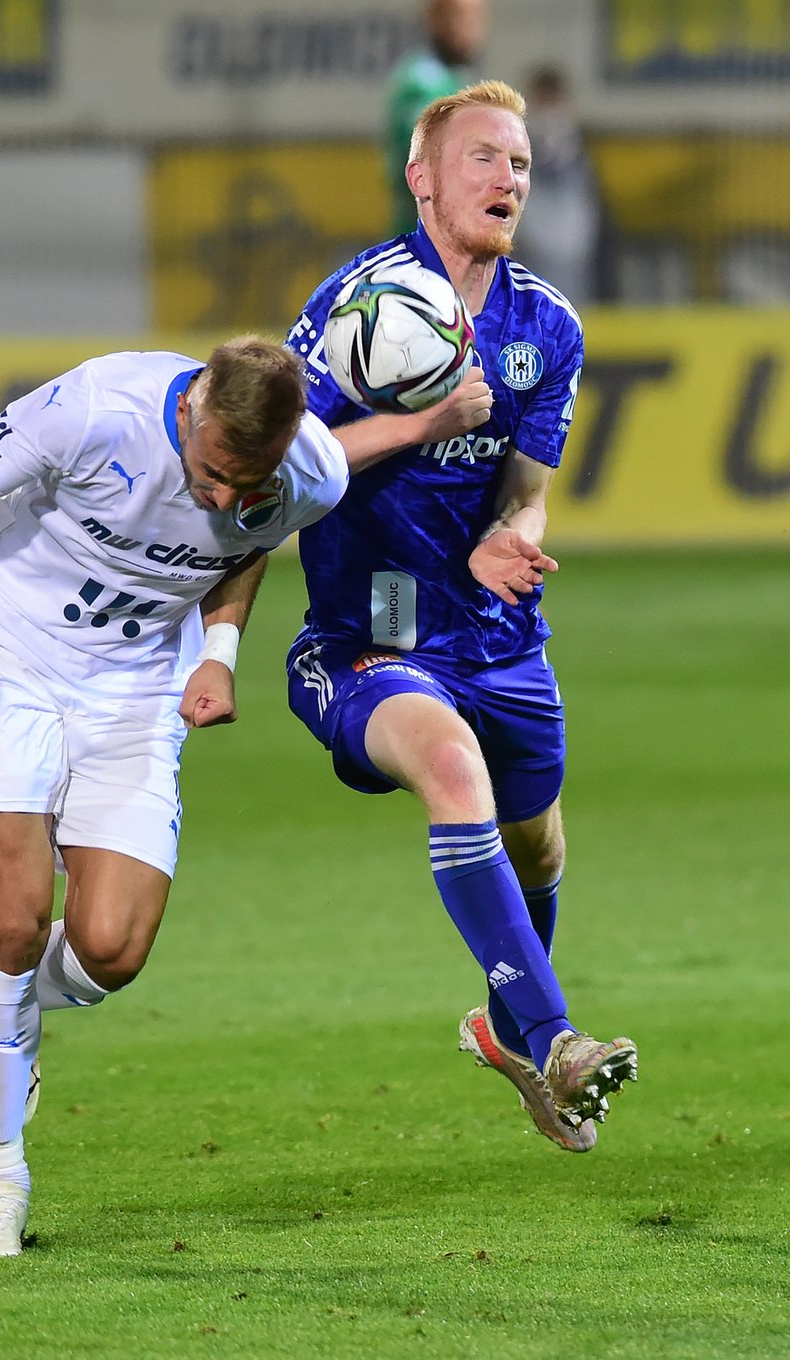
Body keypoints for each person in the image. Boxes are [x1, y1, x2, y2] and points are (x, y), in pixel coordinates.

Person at [0, 336, 477, 1257]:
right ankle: (0, 1182)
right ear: (192, 409)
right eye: (217, 473)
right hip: (10, 661)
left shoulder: (298, 471)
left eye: (253, 479)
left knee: (111, 949)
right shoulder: (96, 407)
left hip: (137, 694)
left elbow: (251, 540)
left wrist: (217, 655)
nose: (229, 497)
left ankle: (5, 1013)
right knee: (16, 915)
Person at [286, 81, 637, 1153]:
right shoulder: (353, 314)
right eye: (483, 157)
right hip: (370, 639)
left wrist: (510, 529)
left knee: (537, 845)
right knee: (452, 772)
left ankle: (506, 1028)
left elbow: (529, 484)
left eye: (522, 164)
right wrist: (426, 421)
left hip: (497, 636)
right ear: (423, 177)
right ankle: (555, 1033)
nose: (508, 179)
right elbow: (282, 471)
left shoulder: (546, 326)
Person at [383, 0, 488, 236]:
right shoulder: (424, 83)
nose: (472, 28)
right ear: (433, 18)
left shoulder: (454, 80)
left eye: (478, 17)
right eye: (460, 16)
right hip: (425, 248)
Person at [515, 66, 602, 304]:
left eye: (553, 101)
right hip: (529, 249)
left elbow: (588, 201)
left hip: (572, 251)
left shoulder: (580, 145)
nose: (548, 110)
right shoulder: (516, 144)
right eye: (543, 101)